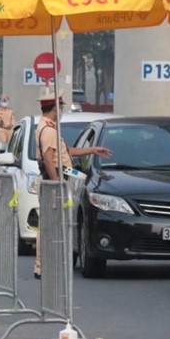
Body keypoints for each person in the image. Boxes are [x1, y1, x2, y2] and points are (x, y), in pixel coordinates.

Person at [33, 87, 112, 279]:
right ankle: (42, 266)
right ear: (55, 108)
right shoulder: (49, 131)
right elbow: (49, 159)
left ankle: (43, 265)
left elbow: (66, 152)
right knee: (50, 226)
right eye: (61, 106)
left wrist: (92, 150)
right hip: (56, 180)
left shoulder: (46, 127)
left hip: (61, 175)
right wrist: (57, 184)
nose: (62, 110)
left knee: (51, 225)